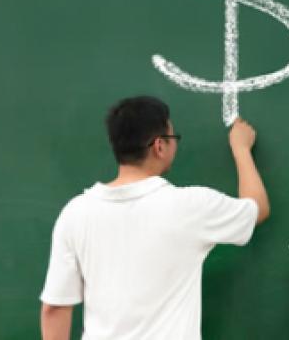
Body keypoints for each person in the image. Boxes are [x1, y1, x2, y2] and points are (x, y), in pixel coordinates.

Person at [39, 96, 269, 340]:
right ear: (159, 146)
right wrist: (241, 149)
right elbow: (257, 208)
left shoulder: (76, 213)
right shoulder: (191, 206)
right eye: (173, 139)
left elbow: (54, 308)